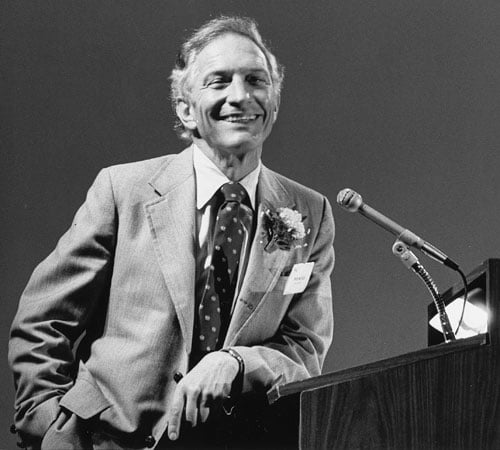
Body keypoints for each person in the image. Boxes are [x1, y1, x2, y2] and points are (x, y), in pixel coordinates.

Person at [9, 15, 335, 449]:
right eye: (218, 82)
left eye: (256, 80)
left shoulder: (310, 212)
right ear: (185, 108)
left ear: (273, 104)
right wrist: (47, 424)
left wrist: (236, 362)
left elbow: (304, 348)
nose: (240, 96)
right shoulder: (122, 190)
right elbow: (42, 320)